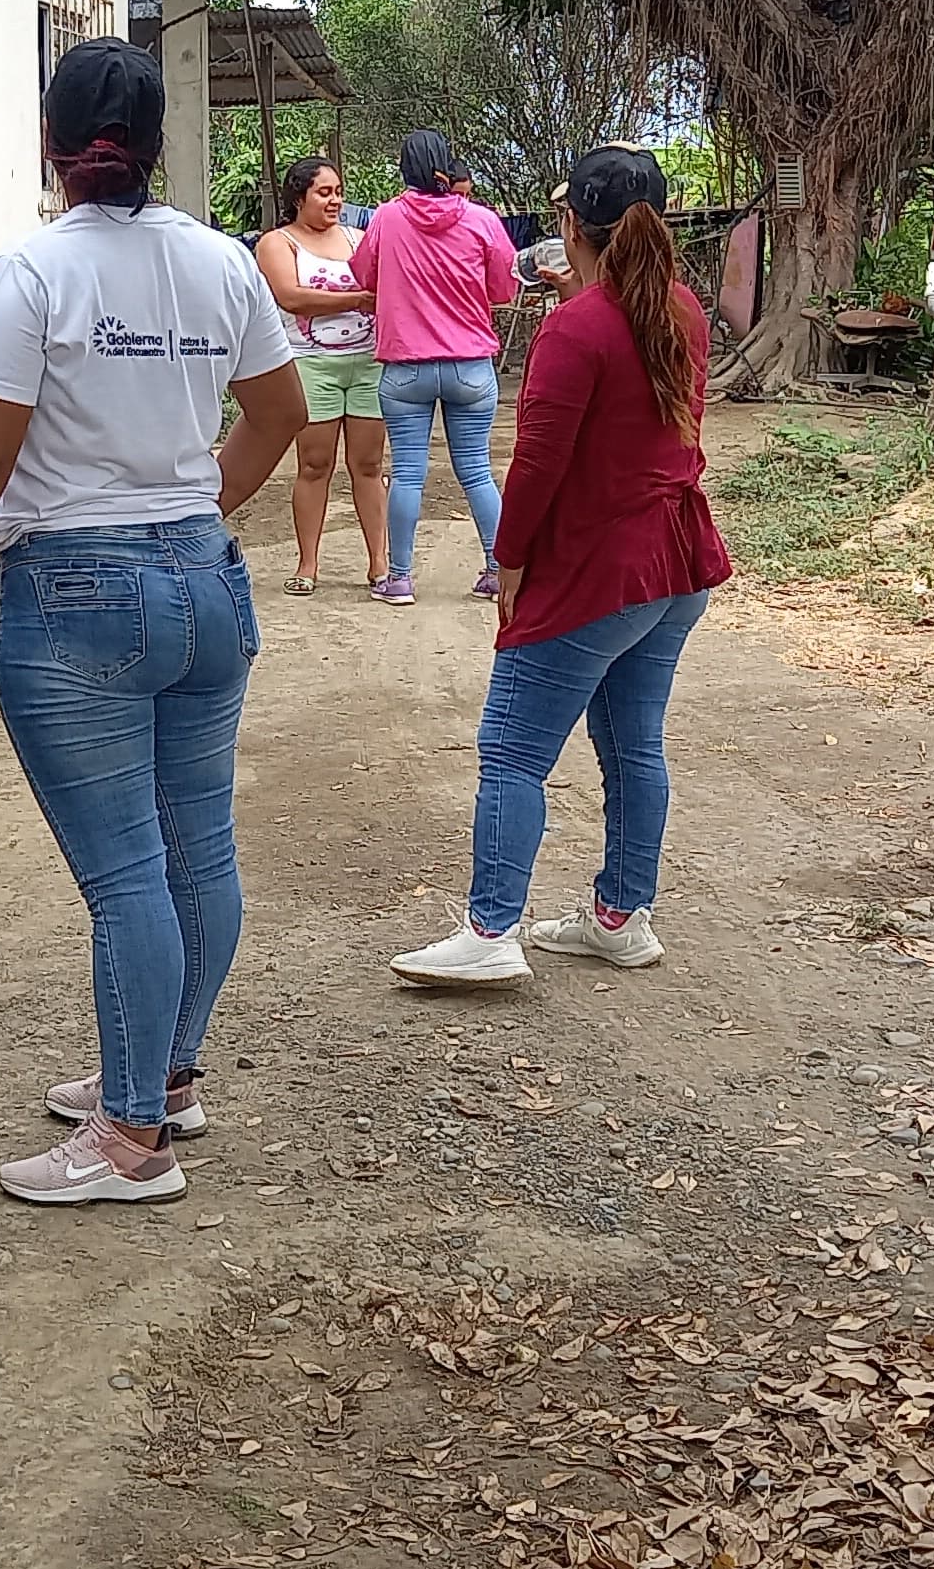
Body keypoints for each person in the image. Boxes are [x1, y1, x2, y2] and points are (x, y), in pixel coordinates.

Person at [0, 39, 305, 1205]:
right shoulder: (221, 260)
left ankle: (131, 1141)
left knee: (128, 873)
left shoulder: (32, 271)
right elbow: (279, 412)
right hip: (203, 581)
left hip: (78, 594)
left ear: (50, 142)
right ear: (156, 145)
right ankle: (163, 1077)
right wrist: (189, 509)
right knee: (198, 848)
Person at [391, 144, 731, 988]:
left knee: (512, 749)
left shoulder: (574, 328)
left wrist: (509, 560)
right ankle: (621, 916)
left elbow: (538, 466)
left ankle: (491, 928)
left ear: (571, 225)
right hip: (674, 560)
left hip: (602, 567)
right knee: (633, 742)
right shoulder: (682, 308)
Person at [352, 129, 518, 605]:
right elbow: (504, 287)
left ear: (404, 169)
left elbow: (364, 274)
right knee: (477, 471)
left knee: (407, 472)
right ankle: (496, 572)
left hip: (406, 367)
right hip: (470, 365)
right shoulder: (481, 220)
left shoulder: (385, 218)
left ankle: (399, 579)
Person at [253, 157, 387, 594]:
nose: (335, 200)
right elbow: (291, 297)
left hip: (367, 362)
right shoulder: (277, 243)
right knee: (314, 464)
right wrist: (358, 299)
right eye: (324, 192)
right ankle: (307, 564)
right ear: (299, 197)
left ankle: (380, 563)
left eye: (338, 192)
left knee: (368, 464)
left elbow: (385, 285)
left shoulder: (358, 238)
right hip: (310, 364)